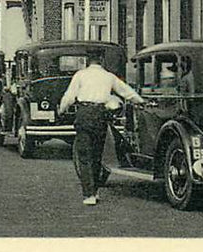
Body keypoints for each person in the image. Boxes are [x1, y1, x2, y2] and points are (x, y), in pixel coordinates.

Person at [58, 48, 146, 206]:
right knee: (97, 154)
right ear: (102, 60)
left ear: (87, 60)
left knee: (84, 155)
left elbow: (69, 97)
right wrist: (141, 101)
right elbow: (126, 92)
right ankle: (95, 190)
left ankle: (89, 194)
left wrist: (61, 109)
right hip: (100, 115)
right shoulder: (108, 76)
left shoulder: (80, 75)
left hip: (84, 114)